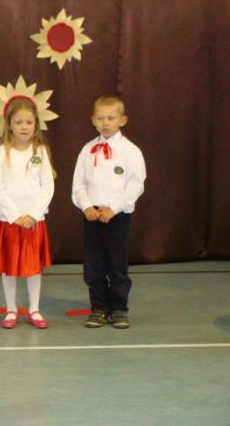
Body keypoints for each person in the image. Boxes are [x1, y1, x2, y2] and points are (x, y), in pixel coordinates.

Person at [72, 95, 146, 329]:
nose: (105, 123)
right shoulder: (88, 150)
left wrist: (113, 208)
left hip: (117, 216)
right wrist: (86, 206)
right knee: (94, 266)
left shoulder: (130, 151)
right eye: (101, 118)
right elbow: (78, 183)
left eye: (111, 118)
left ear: (122, 120)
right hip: (93, 216)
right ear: (93, 120)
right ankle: (99, 308)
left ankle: (119, 308)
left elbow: (136, 184)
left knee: (116, 265)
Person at [0, 97, 55, 329]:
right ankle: (11, 309)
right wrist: (15, 215)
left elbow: (47, 186)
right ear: (9, 125)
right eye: (19, 122)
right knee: (10, 267)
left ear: (35, 125)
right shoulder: (2, 152)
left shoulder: (41, 151)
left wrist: (34, 214)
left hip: (34, 221)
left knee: (33, 267)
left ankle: (34, 309)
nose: (24, 127)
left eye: (28, 122)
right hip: (11, 221)